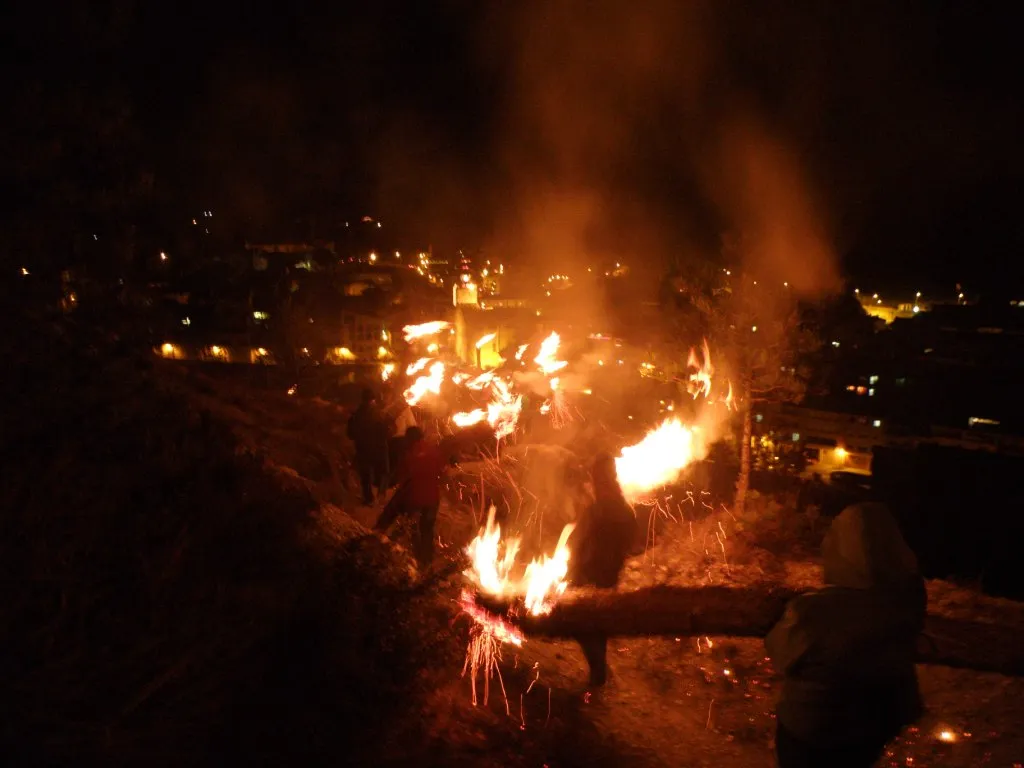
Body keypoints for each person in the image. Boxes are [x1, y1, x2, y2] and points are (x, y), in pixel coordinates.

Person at [766, 502, 926, 768]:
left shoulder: (814, 611)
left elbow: (780, 654)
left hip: (813, 732)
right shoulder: (907, 601)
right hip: (871, 732)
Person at [568, 453, 636, 687]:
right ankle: (599, 671)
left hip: (593, 574)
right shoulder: (620, 506)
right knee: (596, 625)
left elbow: (581, 541)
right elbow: (629, 535)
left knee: (582, 623)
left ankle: (599, 672)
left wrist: (576, 567)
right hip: (607, 573)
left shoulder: (600, 509)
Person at [375, 426, 446, 568]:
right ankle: (427, 560)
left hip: (414, 498)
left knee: (411, 527)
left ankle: (378, 536)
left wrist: (386, 486)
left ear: (410, 439)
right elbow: (442, 472)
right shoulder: (434, 451)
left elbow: (401, 479)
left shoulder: (408, 454)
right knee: (427, 529)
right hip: (433, 498)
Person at [346, 388, 391, 506]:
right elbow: (388, 431)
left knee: (365, 474)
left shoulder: (356, 415)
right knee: (384, 472)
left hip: (362, 448)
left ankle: (369, 498)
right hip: (379, 448)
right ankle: (381, 495)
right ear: (373, 400)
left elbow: (350, 434)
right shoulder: (380, 414)